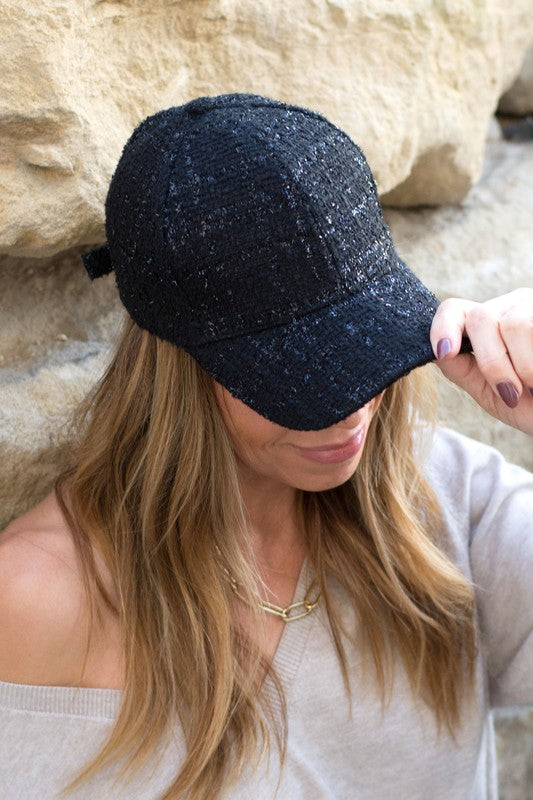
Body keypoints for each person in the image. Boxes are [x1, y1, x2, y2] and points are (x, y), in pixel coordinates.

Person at [0, 92, 531, 800]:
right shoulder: (37, 601)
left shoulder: (449, 501)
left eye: (366, 349)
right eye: (301, 374)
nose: (352, 409)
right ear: (178, 370)